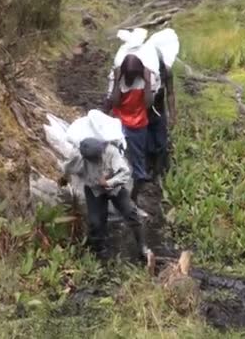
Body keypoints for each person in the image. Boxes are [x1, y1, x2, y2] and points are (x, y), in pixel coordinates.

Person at [60, 137, 148, 260]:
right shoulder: (78, 158)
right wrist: (63, 179)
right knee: (96, 222)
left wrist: (109, 183)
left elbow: (125, 172)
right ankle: (99, 250)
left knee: (130, 212)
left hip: (115, 188)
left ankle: (142, 246)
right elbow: (66, 168)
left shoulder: (111, 151)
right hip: (94, 190)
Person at [107, 54, 155, 202]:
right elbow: (114, 103)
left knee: (137, 162)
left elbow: (148, 104)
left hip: (138, 124)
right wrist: (116, 81)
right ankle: (116, 195)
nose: (130, 79)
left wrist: (147, 82)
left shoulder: (147, 77)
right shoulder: (117, 76)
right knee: (115, 158)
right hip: (119, 122)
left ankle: (133, 198)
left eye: (133, 76)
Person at [147, 51, 176, 179]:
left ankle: (158, 172)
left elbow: (170, 93)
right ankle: (148, 168)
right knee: (148, 145)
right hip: (145, 112)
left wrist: (172, 114)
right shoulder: (145, 72)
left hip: (159, 111)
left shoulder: (167, 72)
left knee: (161, 144)